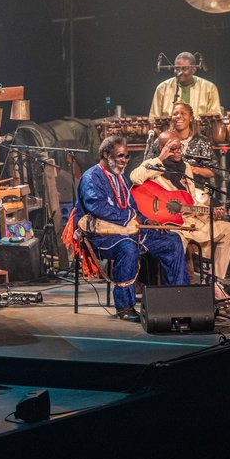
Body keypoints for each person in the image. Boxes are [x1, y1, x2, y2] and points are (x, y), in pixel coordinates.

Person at [70, 136, 189, 322]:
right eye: (121, 156)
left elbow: (133, 208)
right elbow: (98, 208)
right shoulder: (91, 177)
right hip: (100, 237)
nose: (125, 160)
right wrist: (129, 219)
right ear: (105, 154)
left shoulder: (121, 179)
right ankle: (124, 306)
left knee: (172, 240)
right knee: (127, 247)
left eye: (127, 156)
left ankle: (179, 299)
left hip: (129, 231)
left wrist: (149, 221)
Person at [131, 131, 230, 285]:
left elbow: (191, 199)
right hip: (173, 227)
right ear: (162, 148)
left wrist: (211, 212)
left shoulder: (185, 167)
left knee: (229, 229)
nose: (178, 152)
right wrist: (160, 158)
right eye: (173, 149)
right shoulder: (153, 164)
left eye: (180, 148)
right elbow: (135, 177)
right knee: (174, 242)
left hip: (192, 222)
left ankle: (215, 282)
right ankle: (180, 288)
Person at [146, 102, 216, 179]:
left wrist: (193, 169)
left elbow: (212, 171)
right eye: (175, 114)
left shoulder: (202, 141)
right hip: (166, 185)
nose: (179, 116)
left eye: (183, 113)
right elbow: (147, 164)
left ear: (191, 118)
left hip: (194, 187)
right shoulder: (162, 139)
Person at [149, 52, 222, 119]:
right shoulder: (162, 88)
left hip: (200, 132)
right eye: (177, 69)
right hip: (168, 132)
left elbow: (215, 119)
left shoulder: (209, 88)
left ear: (193, 69)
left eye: (184, 69)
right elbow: (153, 119)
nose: (180, 72)